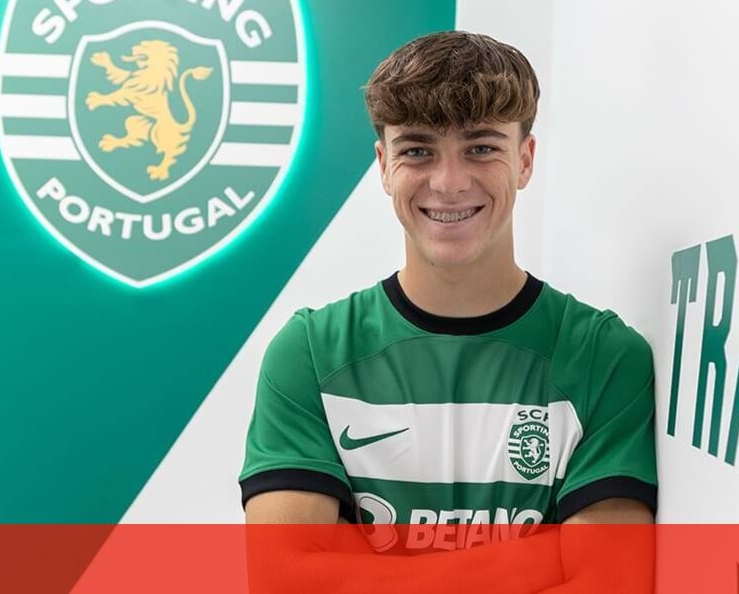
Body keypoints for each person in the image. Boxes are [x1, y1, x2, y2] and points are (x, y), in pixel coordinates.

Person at [239, 31, 656, 564]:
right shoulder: (312, 355)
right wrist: (541, 559)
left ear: (525, 160)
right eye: (418, 150)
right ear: (384, 165)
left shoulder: (604, 356)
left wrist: (354, 575)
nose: (449, 182)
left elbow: (607, 582)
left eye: (481, 148)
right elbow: (285, 580)